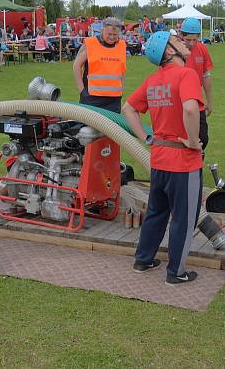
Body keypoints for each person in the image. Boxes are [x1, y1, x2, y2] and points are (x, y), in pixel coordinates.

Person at [122, 31, 204, 285]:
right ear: (169, 51)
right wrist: (192, 141)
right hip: (183, 161)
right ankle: (176, 273)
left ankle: (143, 259)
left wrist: (145, 138)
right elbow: (191, 109)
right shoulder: (187, 74)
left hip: (158, 157)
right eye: (177, 40)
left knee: (157, 211)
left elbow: (128, 108)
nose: (183, 42)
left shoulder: (153, 80)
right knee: (183, 218)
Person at [73, 16, 126, 113]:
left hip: (114, 100)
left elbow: (122, 71)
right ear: (102, 30)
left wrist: (121, 91)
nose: (112, 37)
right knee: (87, 128)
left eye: (115, 35)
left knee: (111, 128)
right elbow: (76, 66)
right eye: (109, 34)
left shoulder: (121, 45)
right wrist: (82, 91)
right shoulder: (90, 44)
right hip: (91, 98)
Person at [180, 17, 214, 154]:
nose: (192, 44)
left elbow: (206, 76)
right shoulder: (175, 51)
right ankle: (187, 168)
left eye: (195, 40)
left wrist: (210, 102)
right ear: (181, 35)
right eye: (188, 40)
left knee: (203, 138)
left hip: (197, 100)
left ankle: (196, 166)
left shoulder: (202, 49)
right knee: (183, 137)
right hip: (180, 100)